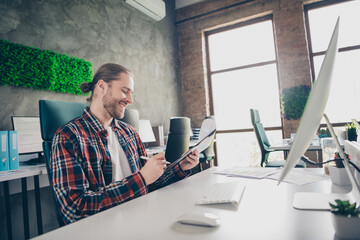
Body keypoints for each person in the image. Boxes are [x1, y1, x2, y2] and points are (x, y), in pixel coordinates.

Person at [50, 63, 199, 224]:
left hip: (143, 219)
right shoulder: (68, 137)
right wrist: (141, 179)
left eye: (131, 93)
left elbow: (150, 184)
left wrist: (180, 167)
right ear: (101, 86)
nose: (130, 100)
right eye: (124, 91)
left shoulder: (130, 133)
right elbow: (75, 209)